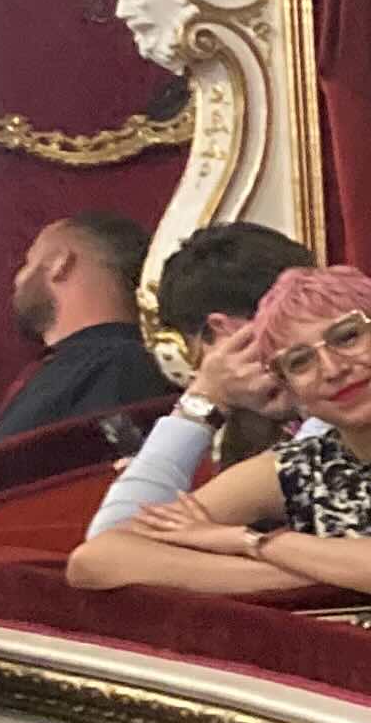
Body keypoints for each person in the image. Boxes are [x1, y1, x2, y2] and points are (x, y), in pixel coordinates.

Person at [66, 265, 371, 603]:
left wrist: (246, 541)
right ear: (290, 388)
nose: (333, 369)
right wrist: (308, 572)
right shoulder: (296, 466)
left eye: (347, 337)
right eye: (301, 362)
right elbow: (96, 560)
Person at [84, 220, 350, 535]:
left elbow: (113, 539)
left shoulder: (345, 414)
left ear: (223, 331)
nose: (198, 372)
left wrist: (206, 396)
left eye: (198, 357)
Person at [0, 212, 161, 441]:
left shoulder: (123, 363)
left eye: (28, 262)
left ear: (59, 263)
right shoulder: (77, 367)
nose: (17, 278)